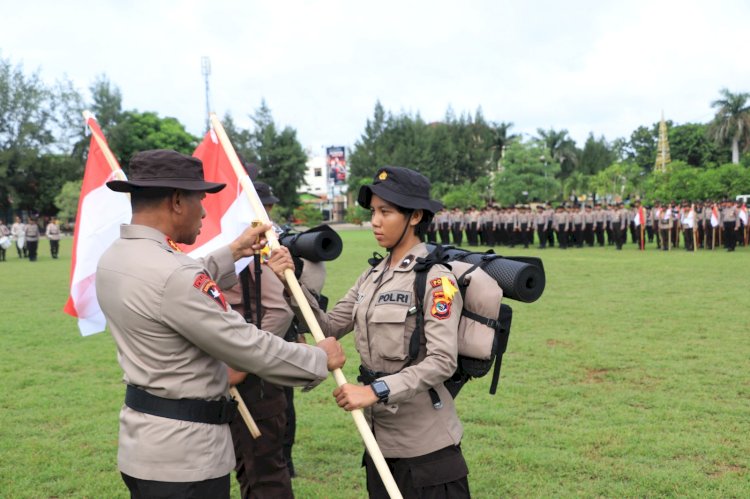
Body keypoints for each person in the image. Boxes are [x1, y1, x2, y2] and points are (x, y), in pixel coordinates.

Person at [95, 149, 346, 498]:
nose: (205, 209)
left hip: (143, 445)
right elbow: (246, 345)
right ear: (177, 201)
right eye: (201, 198)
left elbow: (170, 291)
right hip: (185, 459)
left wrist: (233, 252)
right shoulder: (174, 274)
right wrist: (319, 358)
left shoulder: (115, 257)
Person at [269, 166, 470, 498]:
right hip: (379, 443)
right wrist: (291, 285)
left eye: (386, 212)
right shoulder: (372, 275)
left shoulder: (436, 280)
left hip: (426, 451)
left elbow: (441, 362)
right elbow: (328, 327)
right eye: (374, 211)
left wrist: (374, 390)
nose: (375, 221)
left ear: (416, 216)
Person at [224, 180, 299, 498]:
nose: (265, 212)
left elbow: (278, 312)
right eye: (260, 204)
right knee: (246, 468)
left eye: (266, 205)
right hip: (227, 370)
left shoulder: (263, 247)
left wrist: (246, 358)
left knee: (264, 477)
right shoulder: (228, 242)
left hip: (252, 376)